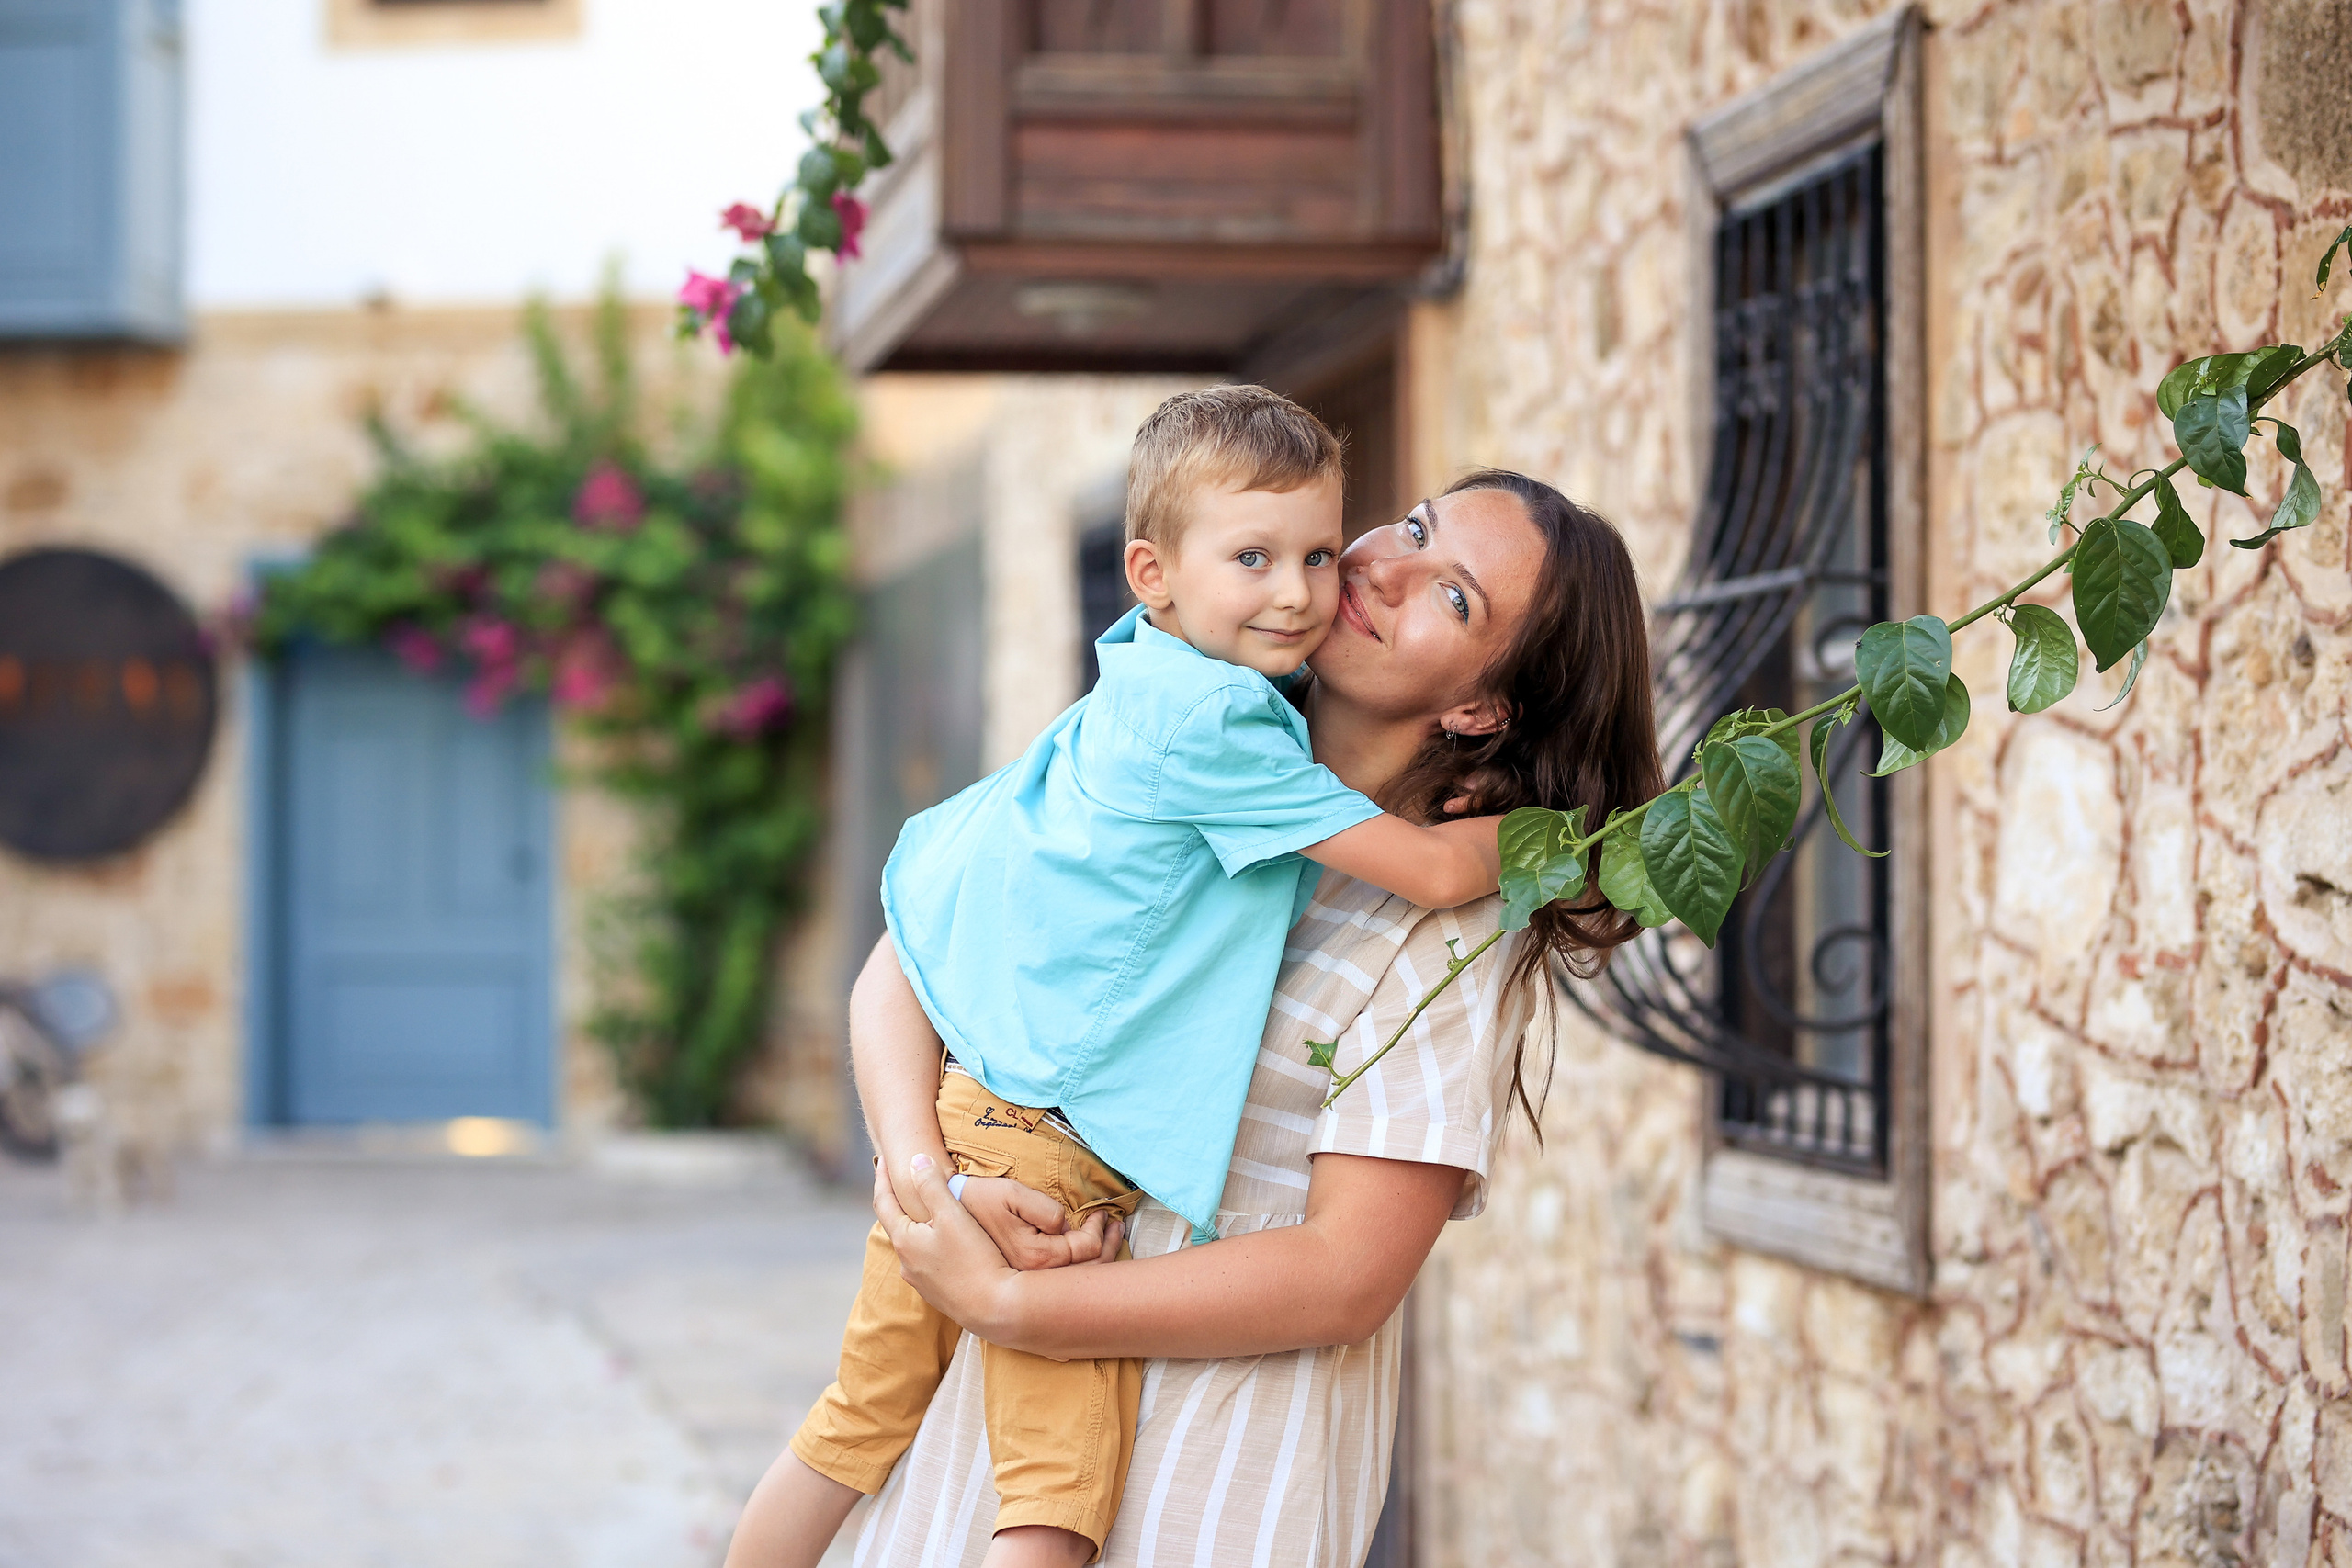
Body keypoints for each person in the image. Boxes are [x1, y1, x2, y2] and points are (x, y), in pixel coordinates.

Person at [726, 468, 1665, 1568]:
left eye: (1452, 597)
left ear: (1479, 707)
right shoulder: (1169, 738)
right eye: (1412, 527)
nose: (1385, 567)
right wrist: (935, 1192)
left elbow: (1346, 1272)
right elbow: (912, 961)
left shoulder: (1443, 931)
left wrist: (1020, 1308)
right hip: (958, 1449)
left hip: (1208, 1473)